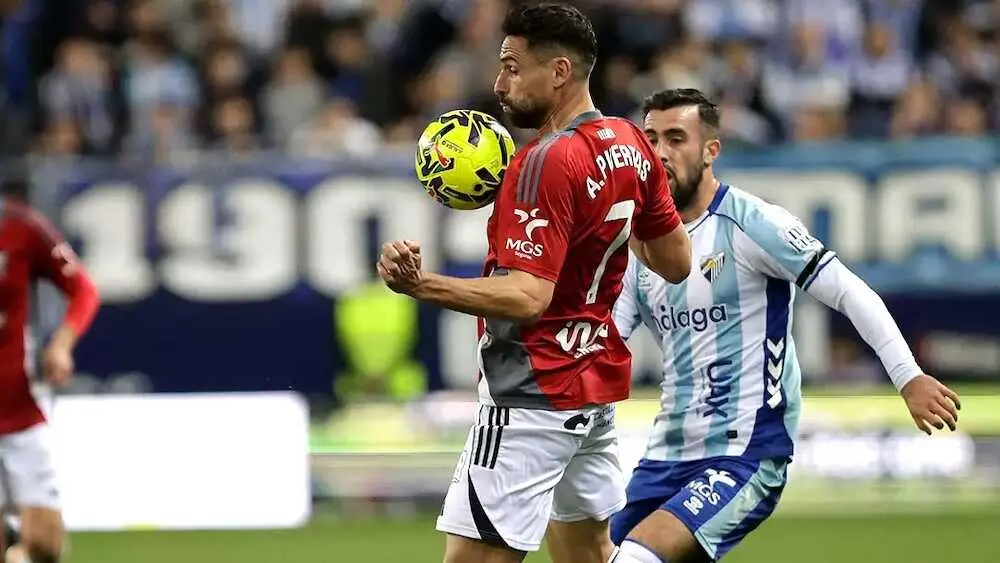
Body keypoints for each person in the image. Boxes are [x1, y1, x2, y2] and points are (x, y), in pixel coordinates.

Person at [376, 3, 691, 563]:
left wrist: (420, 285)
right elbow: (676, 261)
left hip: (531, 395)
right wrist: (604, 223)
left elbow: (527, 297)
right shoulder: (629, 142)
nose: (499, 85)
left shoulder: (543, 161)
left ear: (560, 71)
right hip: (591, 391)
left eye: (512, 68)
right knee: (587, 555)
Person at [608, 88, 962, 563]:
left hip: (744, 455)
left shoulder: (753, 223)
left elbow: (850, 292)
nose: (659, 153)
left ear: (711, 151)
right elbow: (606, 340)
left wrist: (908, 375)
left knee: (637, 556)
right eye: (650, 139)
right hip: (663, 455)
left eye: (675, 139)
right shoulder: (638, 245)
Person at [0, 181, 100, 563]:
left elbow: (84, 290)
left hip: (21, 409)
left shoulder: (22, 227)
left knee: (44, 548)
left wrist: (61, 344)